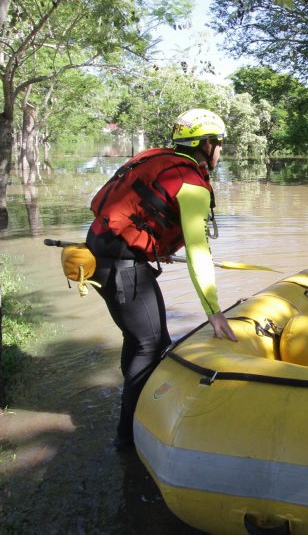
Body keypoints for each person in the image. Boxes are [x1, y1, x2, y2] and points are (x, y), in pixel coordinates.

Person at [86, 108, 237, 449]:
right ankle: (132, 438)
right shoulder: (192, 185)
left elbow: (125, 210)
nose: (221, 151)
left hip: (101, 255)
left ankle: (128, 431)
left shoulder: (156, 160)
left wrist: (153, 245)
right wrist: (213, 310)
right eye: (220, 143)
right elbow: (199, 251)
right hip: (122, 267)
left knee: (139, 340)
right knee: (151, 344)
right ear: (206, 144)